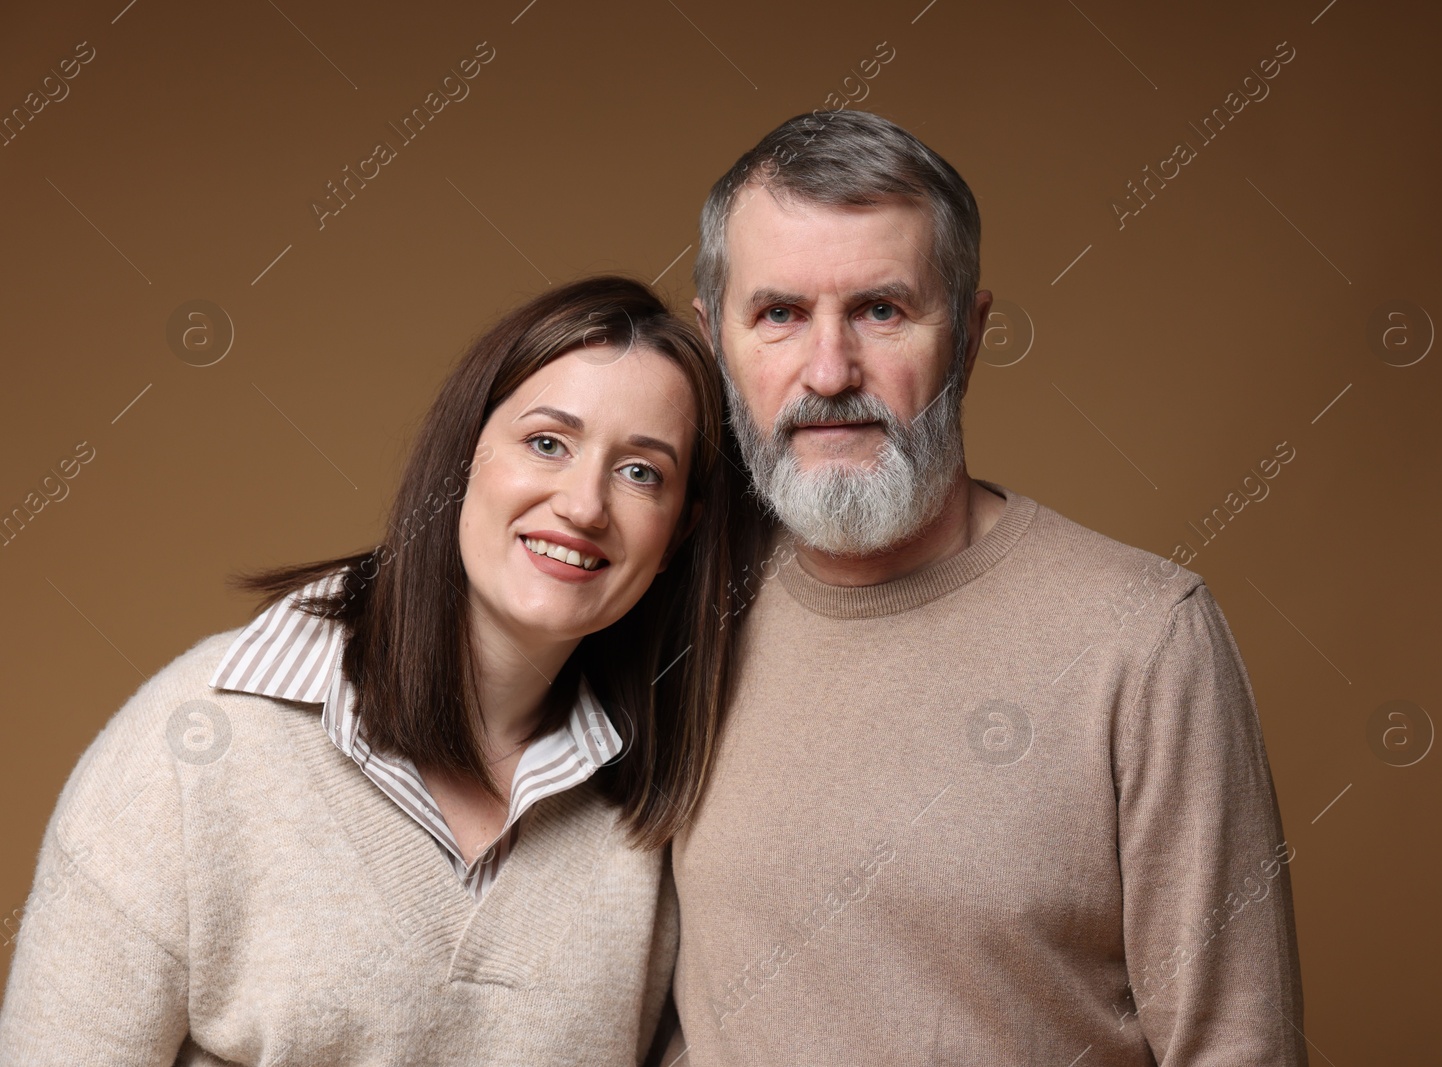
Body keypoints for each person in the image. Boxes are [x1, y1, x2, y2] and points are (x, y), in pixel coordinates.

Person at [664, 110, 1308, 1064]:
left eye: (881, 310)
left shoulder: (1142, 638)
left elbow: (1237, 1046)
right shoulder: (676, 614)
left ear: (967, 334)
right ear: (717, 338)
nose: (831, 370)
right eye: (781, 314)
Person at [0, 276, 750, 1066]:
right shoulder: (197, 742)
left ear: (679, 533)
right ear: (467, 455)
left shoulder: (663, 818)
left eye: (642, 472)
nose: (584, 505)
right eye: (547, 443)